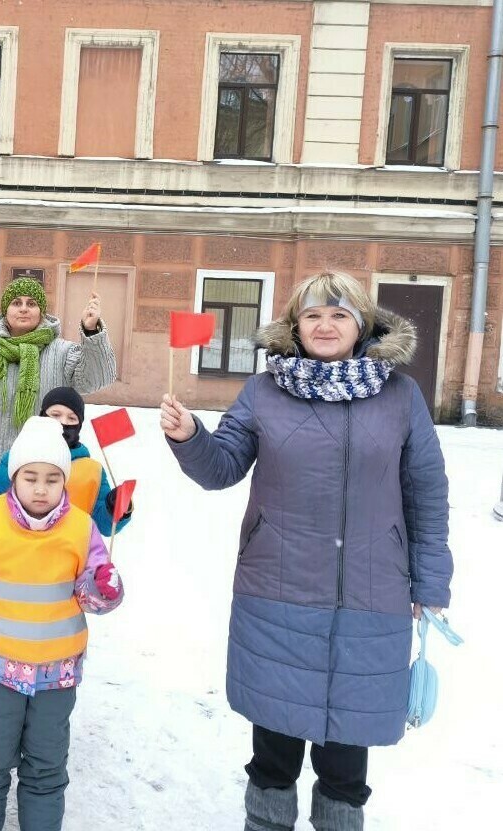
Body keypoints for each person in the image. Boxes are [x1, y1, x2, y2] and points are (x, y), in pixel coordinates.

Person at [160, 272, 454, 831]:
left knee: (346, 756)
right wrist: (190, 437)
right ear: (295, 326)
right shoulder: (264, 391)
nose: (325, 325)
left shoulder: (400, 395)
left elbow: (426, 491)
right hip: (277, 590)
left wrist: (431, 581)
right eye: (313, 315)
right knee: (273, 751)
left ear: (362, 325)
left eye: (339, 315)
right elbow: (221, 468)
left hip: (372, 594)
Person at [0, 416, 124, 831]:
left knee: (46, 765)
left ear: (64, 481)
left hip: (58, 674)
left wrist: (104, 588)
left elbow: (90, 595)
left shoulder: (81, 527)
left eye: (52, 479)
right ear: (14, 477)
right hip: (0, 671)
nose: (40, 489)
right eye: (30, 478)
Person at [0, 277, 116, 501]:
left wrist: (91, 332)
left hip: (42, 482)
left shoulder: (62, 354)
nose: (23, 309)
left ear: (41, 312)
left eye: (31, 303)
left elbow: (97, 378)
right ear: (5, 310)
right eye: (16, 303)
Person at [0, 386, 133, 537]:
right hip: (19, 545)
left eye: (72, 418)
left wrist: (113, 507)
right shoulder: (20, 454)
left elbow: (104, 526)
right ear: (42, 416)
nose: (63, 422)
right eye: (55, 415)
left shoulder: (92, 470)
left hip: (71, 547)